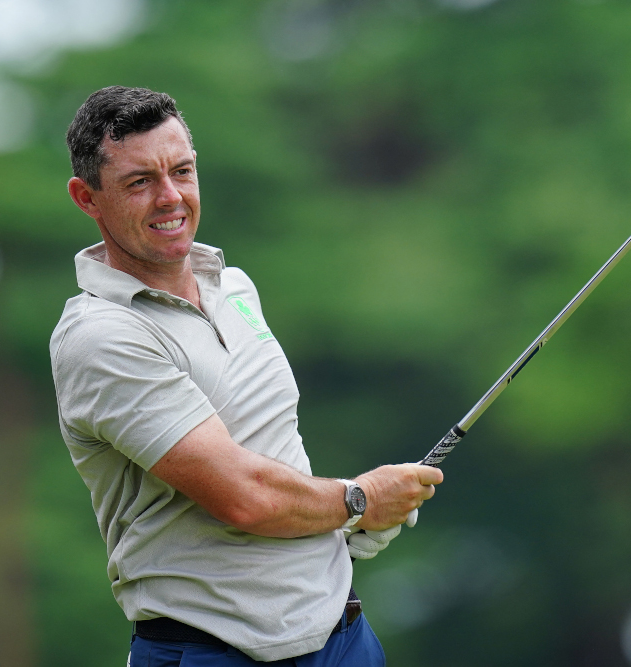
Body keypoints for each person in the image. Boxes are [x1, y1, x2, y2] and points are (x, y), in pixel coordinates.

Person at [50, 86, 443, 666]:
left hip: (341, 635)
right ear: (88, 198)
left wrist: (342, 526)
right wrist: (358, 499)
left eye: (181, 171)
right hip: (210, 651)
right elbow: (245, 497)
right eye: (139, 182)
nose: (170, 197)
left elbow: (276, 453)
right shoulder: (99, 337)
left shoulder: (233, 286)